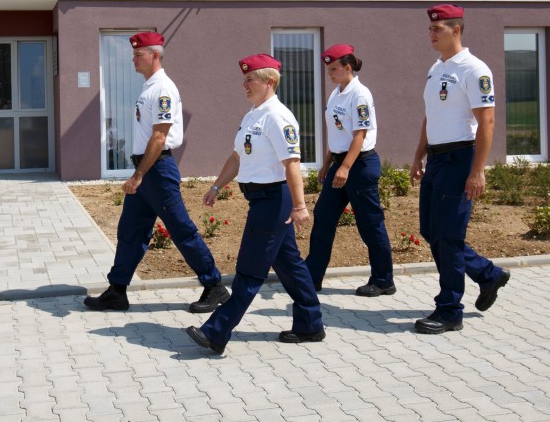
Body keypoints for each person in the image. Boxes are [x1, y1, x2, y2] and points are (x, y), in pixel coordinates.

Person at [186, 54, 324, 355]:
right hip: (260, 199)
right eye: (244, 79)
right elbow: (237, 156)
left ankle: (216, 331)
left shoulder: (278, 116)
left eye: (250, 79)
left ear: (269, 81)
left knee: (250, 268)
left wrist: (300, 206)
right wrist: (216, 186)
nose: (244, 84)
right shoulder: (253, 115)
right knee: (289, 265)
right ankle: (310, 324)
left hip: (273, 200)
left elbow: (292, 163)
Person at [84, 31, 229, 314]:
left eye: (138, 55)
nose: (133, 59)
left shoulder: (163, 89)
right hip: (147, 167)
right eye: (133, 55)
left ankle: (214, 286)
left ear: (155, 55)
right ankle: (117, 291)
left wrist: (138, 175)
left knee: (180, 229)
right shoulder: (149, 87)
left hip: (157, 170)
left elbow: (160, 137)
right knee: (130, 231)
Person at [410, 4, 510, 334]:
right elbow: (430, 116)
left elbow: (487, 122)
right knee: (431, 231)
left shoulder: (474, 69)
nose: (431, 33)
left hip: (460, 159)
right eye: (429, 29)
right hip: (437, 159)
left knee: (449, 236)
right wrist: (419, 155)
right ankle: (488, 274)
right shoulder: (436, 68)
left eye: (437, 29)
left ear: (456, 30)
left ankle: (450, 310)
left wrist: (478, 170)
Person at [305, 44, 395, 296]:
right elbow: (338, 134)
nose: (329, 73)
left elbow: (359, 134)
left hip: (360, 165)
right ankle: (312, 276)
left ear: (348, 67)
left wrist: (345, 167)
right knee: (323, 217)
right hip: (340, 163)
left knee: (369, 223)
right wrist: (327, 164)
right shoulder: (336, 93)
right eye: (328, 69)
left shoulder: (360, 94)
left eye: (333, 68)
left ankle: (383, 279)